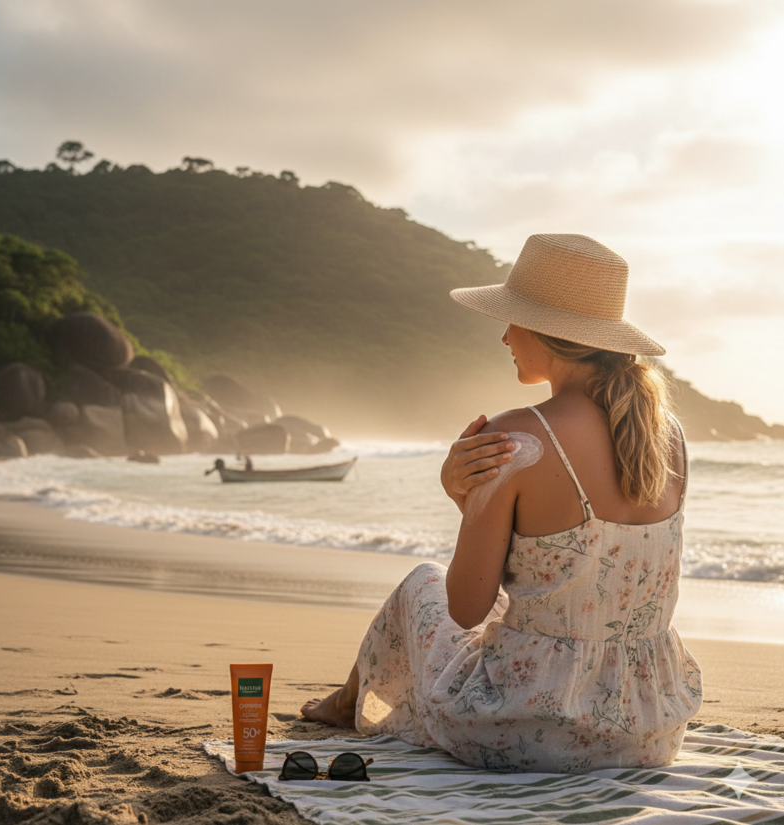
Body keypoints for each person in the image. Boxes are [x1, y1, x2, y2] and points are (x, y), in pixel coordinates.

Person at [301, 234, 703, 773]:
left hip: (527, 731)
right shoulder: (668, 435)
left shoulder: (516, 439)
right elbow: (574, 573)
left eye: (513, 320)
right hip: (648, 735)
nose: (505, 335)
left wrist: (463, 497)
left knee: (422, 581)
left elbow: (465, 607)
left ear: (546, 331)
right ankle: (346, 699)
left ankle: (347, 702)